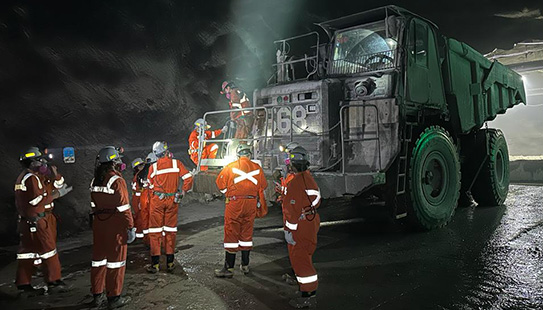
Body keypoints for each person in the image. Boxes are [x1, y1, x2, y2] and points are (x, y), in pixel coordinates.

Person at [14, 147, 70, 296]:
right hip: (38, 220)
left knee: (27, 253)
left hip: (29, 221)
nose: (42, 164)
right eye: (39, 161)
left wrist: (56, 177)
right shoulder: (31, 178)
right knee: (49, 251)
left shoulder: (29, 176)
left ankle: (23, 284)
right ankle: (54, 281)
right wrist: (55, 195)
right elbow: (36, 201)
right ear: (32, 163)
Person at [89, 146, 135, 309]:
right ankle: (114, 298)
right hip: (115, 225)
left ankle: (97, 294)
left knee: (98, 261)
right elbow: (124, 207)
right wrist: (130, 227)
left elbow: (93, 204)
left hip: (99, 224)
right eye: (118, 159)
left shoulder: (95, 180)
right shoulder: (117, 180)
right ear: (113, 162)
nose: (120, 162)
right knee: (116, 262)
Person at [214, 144, 267, 278]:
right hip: (251, 202)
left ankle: (229, 268)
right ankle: (245, 265)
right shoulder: (257, 168)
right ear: (249, 155)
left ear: (238, 155)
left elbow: (220, 183)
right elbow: (263, 185)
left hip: (235, 202)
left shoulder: (231, 167)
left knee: (231, 232)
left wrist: (228, 193)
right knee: (246, 233)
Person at [282, 146, 321, 309]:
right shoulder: (307, 178)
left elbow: (292, 210)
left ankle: (308, 297)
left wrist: (289, 230)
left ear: (292, 164)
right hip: (309, 221)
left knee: (301, 259)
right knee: (304, 255)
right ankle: (306, 290)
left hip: (300, 225)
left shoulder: (296, 182)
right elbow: (315, 200)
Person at [146, 141, 193, 273]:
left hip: (157, 201)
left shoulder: (153, 168)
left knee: (155, 232)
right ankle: (170, 263)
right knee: (170, 231)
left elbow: (149, 185)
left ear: (156, 155)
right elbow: (188, 178)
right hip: (173, 200)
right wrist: (183, 191)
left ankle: (155, 264)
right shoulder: (176, 163)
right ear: (166, 152)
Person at [139, 152, 157, 246]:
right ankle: (154, 242)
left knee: (145, 218)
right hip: (151, 196)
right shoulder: (153, 170)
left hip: (143, 196)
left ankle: (146, 240)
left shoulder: (142, 172)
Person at [130, 158, 145, 240]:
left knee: (138, 216)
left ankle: (138, 233)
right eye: (141, 165)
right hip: (138, 199)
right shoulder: (139, 176)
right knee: (140, 217)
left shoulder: (138, 175)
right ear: (137, 167)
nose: (143, 166)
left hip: (136, 198)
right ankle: (139, 235)